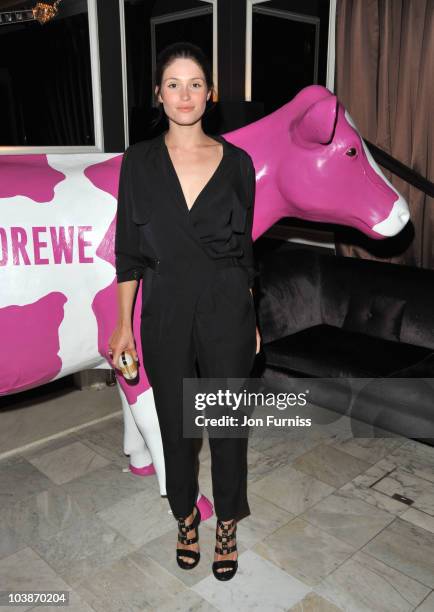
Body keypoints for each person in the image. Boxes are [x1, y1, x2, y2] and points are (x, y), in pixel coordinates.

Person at [109, 41, 261, 581]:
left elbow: (244, 252)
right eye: (173, 83)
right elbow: (128, 250)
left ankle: (226, 523)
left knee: (225, 424)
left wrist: (251, 316)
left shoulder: (239, 163)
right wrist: (123, 324)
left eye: (195, 83)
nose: (185, 94)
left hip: (225, 309)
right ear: (158, 94)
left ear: (210, 94)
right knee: (176, 425)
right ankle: (184, 515)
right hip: (165, 305)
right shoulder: (139, 161)